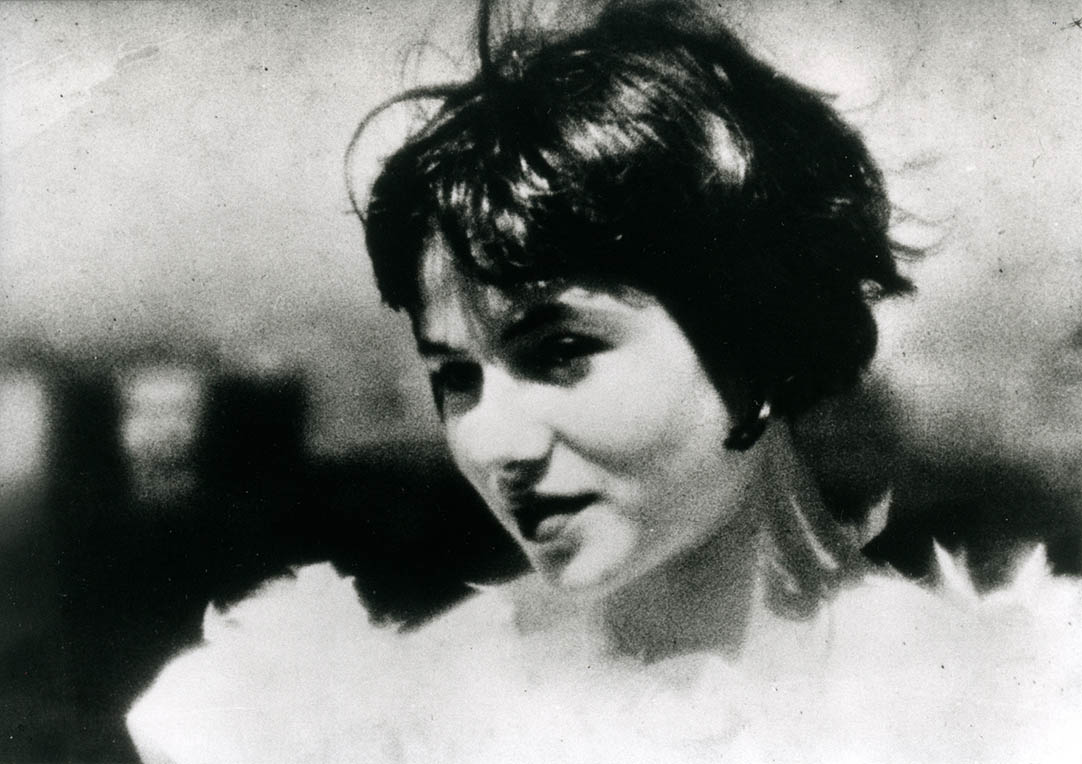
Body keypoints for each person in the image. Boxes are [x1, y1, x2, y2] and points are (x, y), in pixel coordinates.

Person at [126, 2, 1082, 762]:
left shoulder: (1013, 716)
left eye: (558, 351)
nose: (492, 441)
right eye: (455, 376)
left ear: (756, 335)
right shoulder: (372, 730)